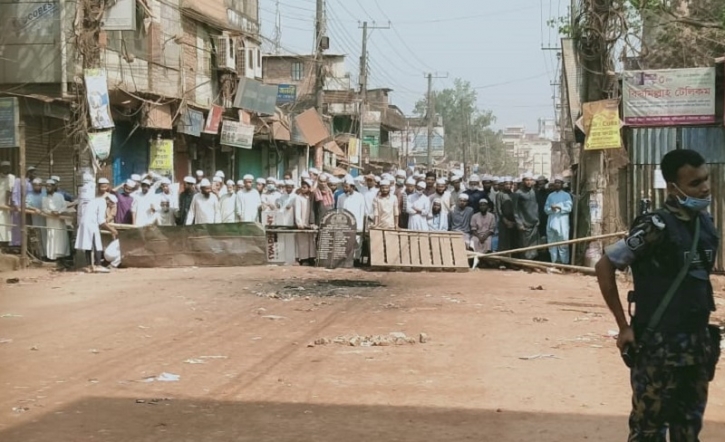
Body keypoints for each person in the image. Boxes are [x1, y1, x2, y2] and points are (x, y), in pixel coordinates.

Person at [595, 149, 720, 442]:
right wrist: (623, 325)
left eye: (705, 180)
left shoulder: (706, 223)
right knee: (648, 431)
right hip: (658, 348)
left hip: (697, 345)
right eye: (694, 183)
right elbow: (605, 265)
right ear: (672, 188)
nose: (703, 188)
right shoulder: (655, 227)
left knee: (688, 431)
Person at [75, 178, 116, 273]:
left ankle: (89, 265)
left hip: (84, 223)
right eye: (111, 203)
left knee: (88, 244)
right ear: (108, 200)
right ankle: (97, 265)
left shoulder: (94, 200)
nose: (110, 205)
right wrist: (112, 230)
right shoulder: (102, 202)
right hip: (91, 225)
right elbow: (101, 221)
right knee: (97, 244)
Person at [544, 176, 573, 264]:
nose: (557, 184)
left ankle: (564, 264)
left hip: (562, 223)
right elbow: (545, 209)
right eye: (556, 182)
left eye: (559, 183)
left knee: (563, 244)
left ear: (562, 184)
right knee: (552, 244)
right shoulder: (550, 195)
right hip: (552, 222)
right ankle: (554, 262)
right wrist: (551, 209)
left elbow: (569, 208)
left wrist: (559, 207)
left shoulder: (566, 195)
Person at [337, 176, 366, 261]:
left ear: (352, 187)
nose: (345, 189)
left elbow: (362, 212)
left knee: (356, 242)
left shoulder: (360, 197)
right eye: (344, 187)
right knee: (345, 242)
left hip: (357, 224)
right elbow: (339, 210)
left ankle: (356, 260)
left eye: (347, 187)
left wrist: (360, 225)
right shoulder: (341, 197)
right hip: (344, 224)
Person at [42, 179, 70, 260]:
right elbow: (44, 208)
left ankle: (62, 255)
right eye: (47, 186)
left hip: (59, 219)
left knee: (61, 236)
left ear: (54, 187)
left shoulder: (60, 196)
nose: (48, 188)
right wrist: (51, 212)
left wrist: (59, 212)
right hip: (50, 220)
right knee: (52, 236)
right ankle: (52, 256)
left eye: (50, 186)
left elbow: (64, 206)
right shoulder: (44, 198)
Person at [513, 173, 540, 259]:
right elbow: (515, 209)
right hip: (524, 224)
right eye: (527, 180)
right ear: (523, 181)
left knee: (534, 246)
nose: (529, 182)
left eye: (530, 180)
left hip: (534, 223)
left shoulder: (533, 192)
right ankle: (525, 264)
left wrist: (537, 218)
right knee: (524, 246)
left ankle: (532, 264)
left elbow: (536, 206)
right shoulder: (518, 193)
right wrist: (519, 223)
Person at [10, 165, 36, 247]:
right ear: (27, 172)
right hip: (19, 207)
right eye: (31, 172)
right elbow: (15, 192)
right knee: (17, 227)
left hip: (28, 208)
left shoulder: (32, 183)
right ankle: (16, 245)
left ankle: (26, 245)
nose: (33, 174)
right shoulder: (18, 180)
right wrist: (16, 204)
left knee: (27, 227)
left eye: (34, 172)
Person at [293, 180, 316, 265]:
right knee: (302, 241)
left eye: (305, 187)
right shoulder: (298, 197)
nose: (302, 189)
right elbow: (297, 211)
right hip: (302, 222)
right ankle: (304, 259)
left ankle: (311, 258)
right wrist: (299, 222)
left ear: (309, 188)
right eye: (302, 187)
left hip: (310, 223)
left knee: (311, 241)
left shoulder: (311, 197)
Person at [26, 177, 47, 256]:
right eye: (35, 185)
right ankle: (40, 255)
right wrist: (35, 209)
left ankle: (47, 254)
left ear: (41, 185)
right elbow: (27, 204)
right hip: (36, 218)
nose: (37, 186)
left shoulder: (45, 192)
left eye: (39, 185)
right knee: (37, 235)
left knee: (46, 235)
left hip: (46, 217)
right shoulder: (30, 194)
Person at [497, 177, 518, 252]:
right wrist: (505, 221)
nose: (508, 186)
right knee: (504, 243)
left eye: (509, 184)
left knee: (513, 242)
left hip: (514, 222)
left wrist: (514, 222)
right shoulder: (500, 195)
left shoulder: (515, 195)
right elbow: (498, 210)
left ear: (512, 185)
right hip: (504, 222)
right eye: (506, 184)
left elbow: (517, 209)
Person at [0, 161, 14, 244]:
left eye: (7, 168)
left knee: (6, 226)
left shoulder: (11, 178)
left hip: (6, 206)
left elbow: (11, 191)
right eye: (4, 167)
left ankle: (5, 244)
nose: (6, 169)